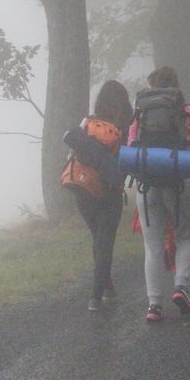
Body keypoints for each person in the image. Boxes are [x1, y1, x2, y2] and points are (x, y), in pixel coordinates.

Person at [127, 66, 190, 322]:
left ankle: (154, 305)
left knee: (152, 245)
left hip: (147, 184)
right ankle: (181, 287)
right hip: (178, 182)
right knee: (185, 235)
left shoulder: (141, 111)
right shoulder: (186, 112)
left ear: (153, 85)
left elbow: (131, 144)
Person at [68, 80, 133, 312]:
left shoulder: (87, 124)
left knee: (98, 238)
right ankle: (96, 296)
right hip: (109, 192)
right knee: (105, 242)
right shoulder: (124, 129)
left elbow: (72, 154)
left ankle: (107, 286)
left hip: (83, 188)